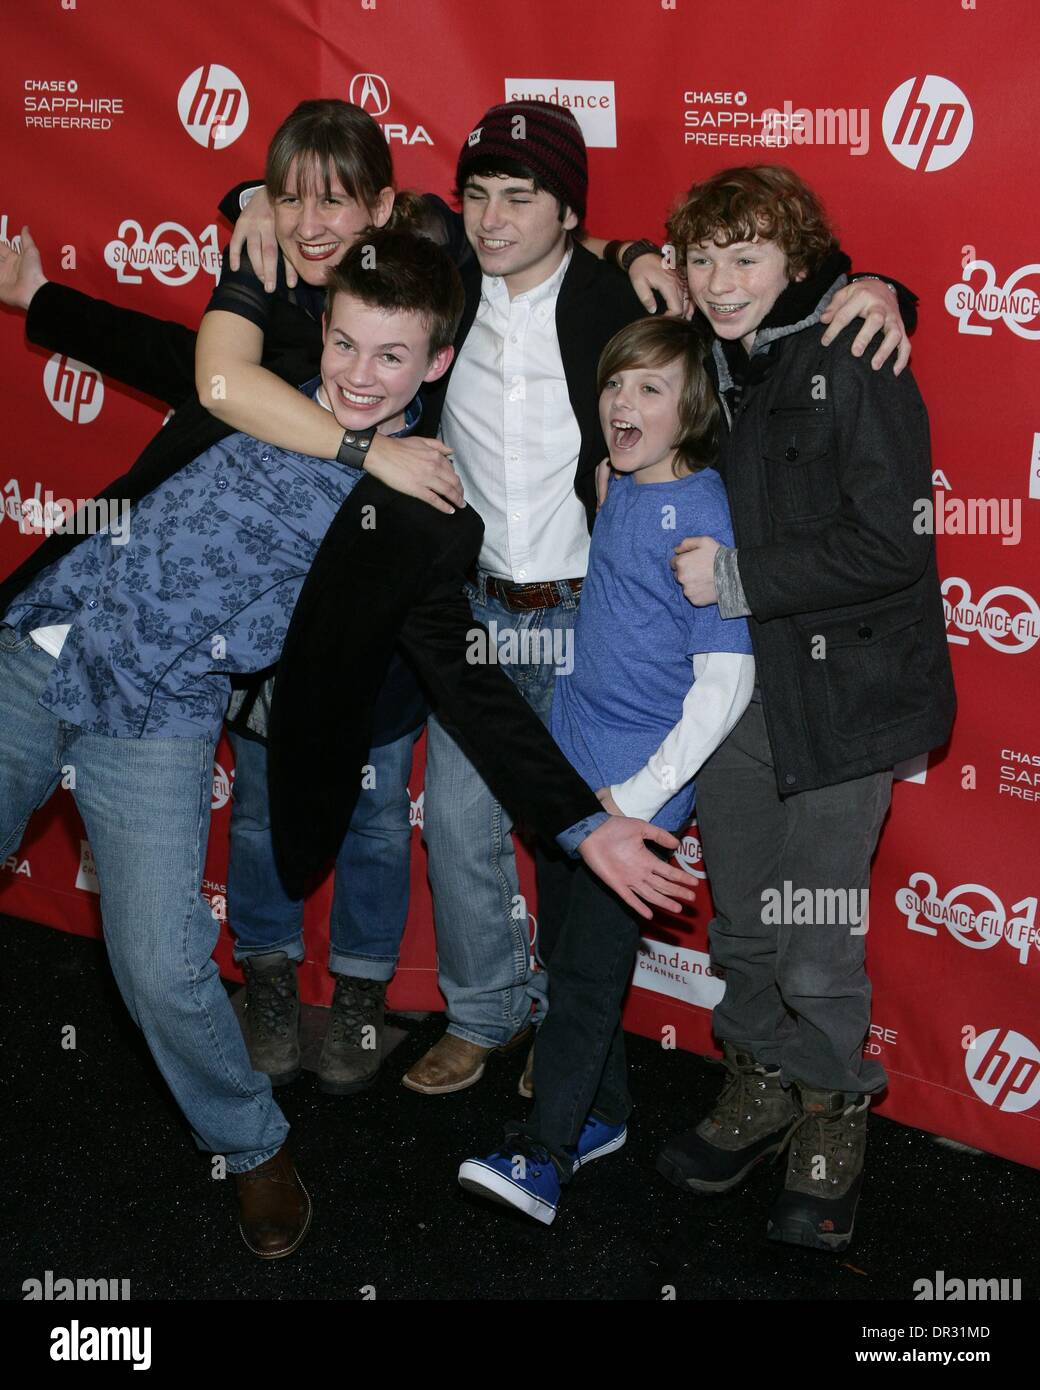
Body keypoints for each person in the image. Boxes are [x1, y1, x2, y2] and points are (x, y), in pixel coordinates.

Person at [0, 228, 694, 1261]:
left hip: (157, 712)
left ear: (436, 364)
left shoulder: (422, 516)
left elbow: (468, 681)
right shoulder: (255, 382)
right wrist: (36, 293)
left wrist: (583, 821)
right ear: (322, 331)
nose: (359, 376)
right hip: (37, 644)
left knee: (160, 963)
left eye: (391, 357)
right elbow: (151, 348)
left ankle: (248, 1144)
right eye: (346, 345)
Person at [385, 101, 913, 1097]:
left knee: (610, 855)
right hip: (491, 613)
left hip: (615, 624)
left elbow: (801, 317)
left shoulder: (638, 307)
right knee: (464, 822)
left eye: (520, 196)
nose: (493, 218)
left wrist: (879, 289)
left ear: (568, 214)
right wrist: (247, 201)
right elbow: (364, 231)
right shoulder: (449, 287)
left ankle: (583, 1040)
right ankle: (487, 1014)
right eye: (478, 197)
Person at [659, 164, 956, 1251]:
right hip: (740, 690)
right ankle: (760, 1086)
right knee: (739, 917)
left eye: (745, 258)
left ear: (798, 264)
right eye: (703, 257)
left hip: (846, 694)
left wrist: (736, 577)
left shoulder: (851, 350)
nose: (721, 280)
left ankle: (833, 1112)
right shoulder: (712, 353)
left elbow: (891, 544)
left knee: (814, 938)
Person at [458, 315, 755, 1223]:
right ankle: (604, 1115)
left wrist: (638, 796)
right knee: (569, 955)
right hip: (569, 770)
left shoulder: (704, 516)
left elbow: (727, 683)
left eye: (650, 389)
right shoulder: (615, 482)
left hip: (633, 798)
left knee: (586, 977)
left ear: (693, 406)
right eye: (615, 385)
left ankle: (544, 1160)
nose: (623, 403)